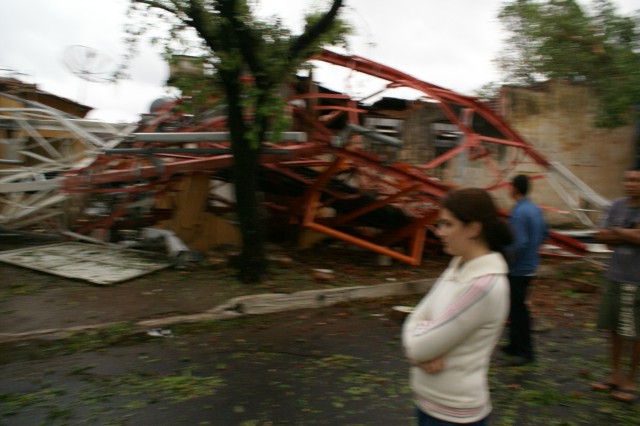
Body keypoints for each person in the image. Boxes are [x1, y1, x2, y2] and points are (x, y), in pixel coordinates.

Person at [402, 188, 513, 425]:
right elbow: (417, 316)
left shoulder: (483, 285)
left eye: (447, 224)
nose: (439, 232)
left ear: (473, 228)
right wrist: (421, 342)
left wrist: (420, 348)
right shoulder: (458, 265)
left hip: (454, 414)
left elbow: (419, 346)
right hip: (429, 404)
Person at [590, 167, 640, 403]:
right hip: (614, 276)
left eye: (637, 180)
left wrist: (616, 232)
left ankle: (631, 380)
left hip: (636, 281)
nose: (631, 184)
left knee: (634, 332)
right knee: (613, 330)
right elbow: (601, 236)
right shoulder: (617, 206)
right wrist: (628, 233)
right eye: (628, 179)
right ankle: (615, 374)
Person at [502, 174, 548, 366]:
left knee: (519, 310)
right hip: (529, 265)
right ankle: (514, 345)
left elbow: (519, 243)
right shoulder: (535, 209)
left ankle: (525, 352)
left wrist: (505, 258)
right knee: (514, 307)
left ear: (514, 188)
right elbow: (545, 233)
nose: (508, 189)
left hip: (518, 269)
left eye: (509, 186)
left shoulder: (520, 212)